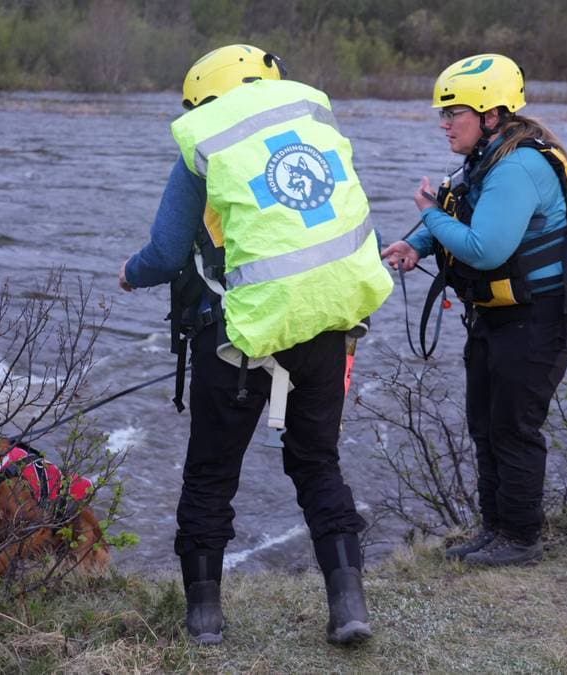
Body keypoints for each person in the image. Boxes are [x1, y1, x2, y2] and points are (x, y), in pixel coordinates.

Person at [118, 44, 392, 645]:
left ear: (205, 99)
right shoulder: (315, 131)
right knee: (318, 464)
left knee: (211, 474)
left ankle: (205, 620)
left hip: (238, 342)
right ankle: (349, 608)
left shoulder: (205, 148)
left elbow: (165, 253)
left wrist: (131, 273)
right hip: (325, 326)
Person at [380, 54, 567, 568]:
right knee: (484, 423)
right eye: (443, 112)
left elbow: (484, 250)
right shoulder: (485, 158)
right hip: (499, 316)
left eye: (454, 112)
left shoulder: (518, 165)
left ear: (492, 114)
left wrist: (428, 214)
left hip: (544, 314)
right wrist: (417, 242)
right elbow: (458, 211)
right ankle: (494, 530)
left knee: (512, 426)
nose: (444, 123)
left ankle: (521, 539)